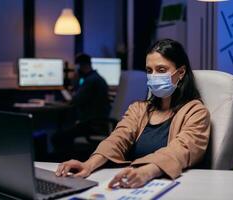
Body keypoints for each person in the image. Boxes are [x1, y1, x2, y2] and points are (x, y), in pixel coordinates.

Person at [55, 39, 211, 188]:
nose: (154, 76)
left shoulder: (196, 112)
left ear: (181, 72)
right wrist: (88, 164)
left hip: (167, 186)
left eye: (161, 70)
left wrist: (145, 172)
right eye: (149, 71)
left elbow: (180, 151)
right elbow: (117, 140)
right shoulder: (139, 109)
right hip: (131, 182)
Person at [52, 53, 111, 153]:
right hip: (99, 123)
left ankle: (61, 161)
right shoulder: (98, 78)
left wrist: (75, 80)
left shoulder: (90, 81)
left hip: (90, 125)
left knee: (56, 137)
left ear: (81, 66)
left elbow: (74, 100)